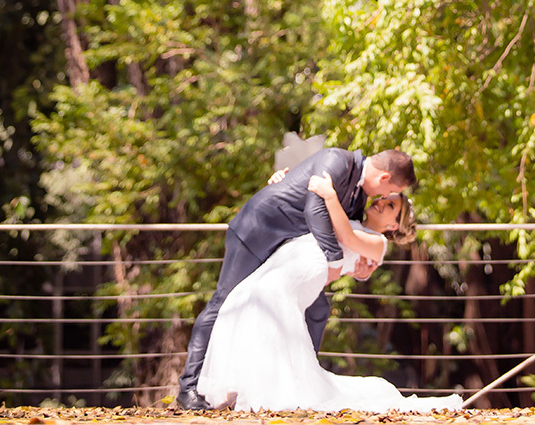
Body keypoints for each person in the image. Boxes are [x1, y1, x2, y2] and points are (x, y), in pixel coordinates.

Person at [196, 171, 464, 412]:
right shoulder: (350, 216)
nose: (381, 202)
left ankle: (259, 391)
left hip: (298, 278)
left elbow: (347, 238)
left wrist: (329, 194)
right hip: (283, 265)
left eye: (391, 206)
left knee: (266, 308)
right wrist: (283, 181)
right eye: (386, 198)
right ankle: (240, 386)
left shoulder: (378, 244)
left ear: (394, 226)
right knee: (243, 301)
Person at [176, 146, 416, 411]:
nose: (383, 197)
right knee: (223, 303)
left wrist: (360, 269)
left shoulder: (360, 198)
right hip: (258, 232)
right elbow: (315, 209)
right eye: (389, 191)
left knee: (318, 310)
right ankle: (189, 388)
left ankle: (299, 382)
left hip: (287, 254)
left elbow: (349, 233)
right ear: (384, 178)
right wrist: (334, 259)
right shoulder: (338, 160)